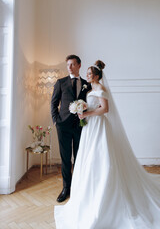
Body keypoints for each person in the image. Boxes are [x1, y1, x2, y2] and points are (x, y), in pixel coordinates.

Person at [54, 60, 160, 229]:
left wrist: (86, 112)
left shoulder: (101, 89)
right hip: (89, 127)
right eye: (87, 73)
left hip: (99, 126)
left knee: (101, 157)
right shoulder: (89, 89)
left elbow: (105, 109)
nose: (87, 76)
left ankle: (107, 191)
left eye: (90, 74)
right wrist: (80, 109)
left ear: (96, 76)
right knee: (87, 158)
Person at [51, 54, 91, 203]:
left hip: (81, 127)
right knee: (66, 159)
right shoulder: (60, 82)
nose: (70, 67)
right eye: (68, 65)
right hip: (63, 127)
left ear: (79, 65)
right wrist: (56, 121)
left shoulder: (87, 84)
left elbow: (91, 103)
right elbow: (53, 103)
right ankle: (66, 188)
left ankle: (79, 188)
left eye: (73, 64)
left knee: (79, 158)